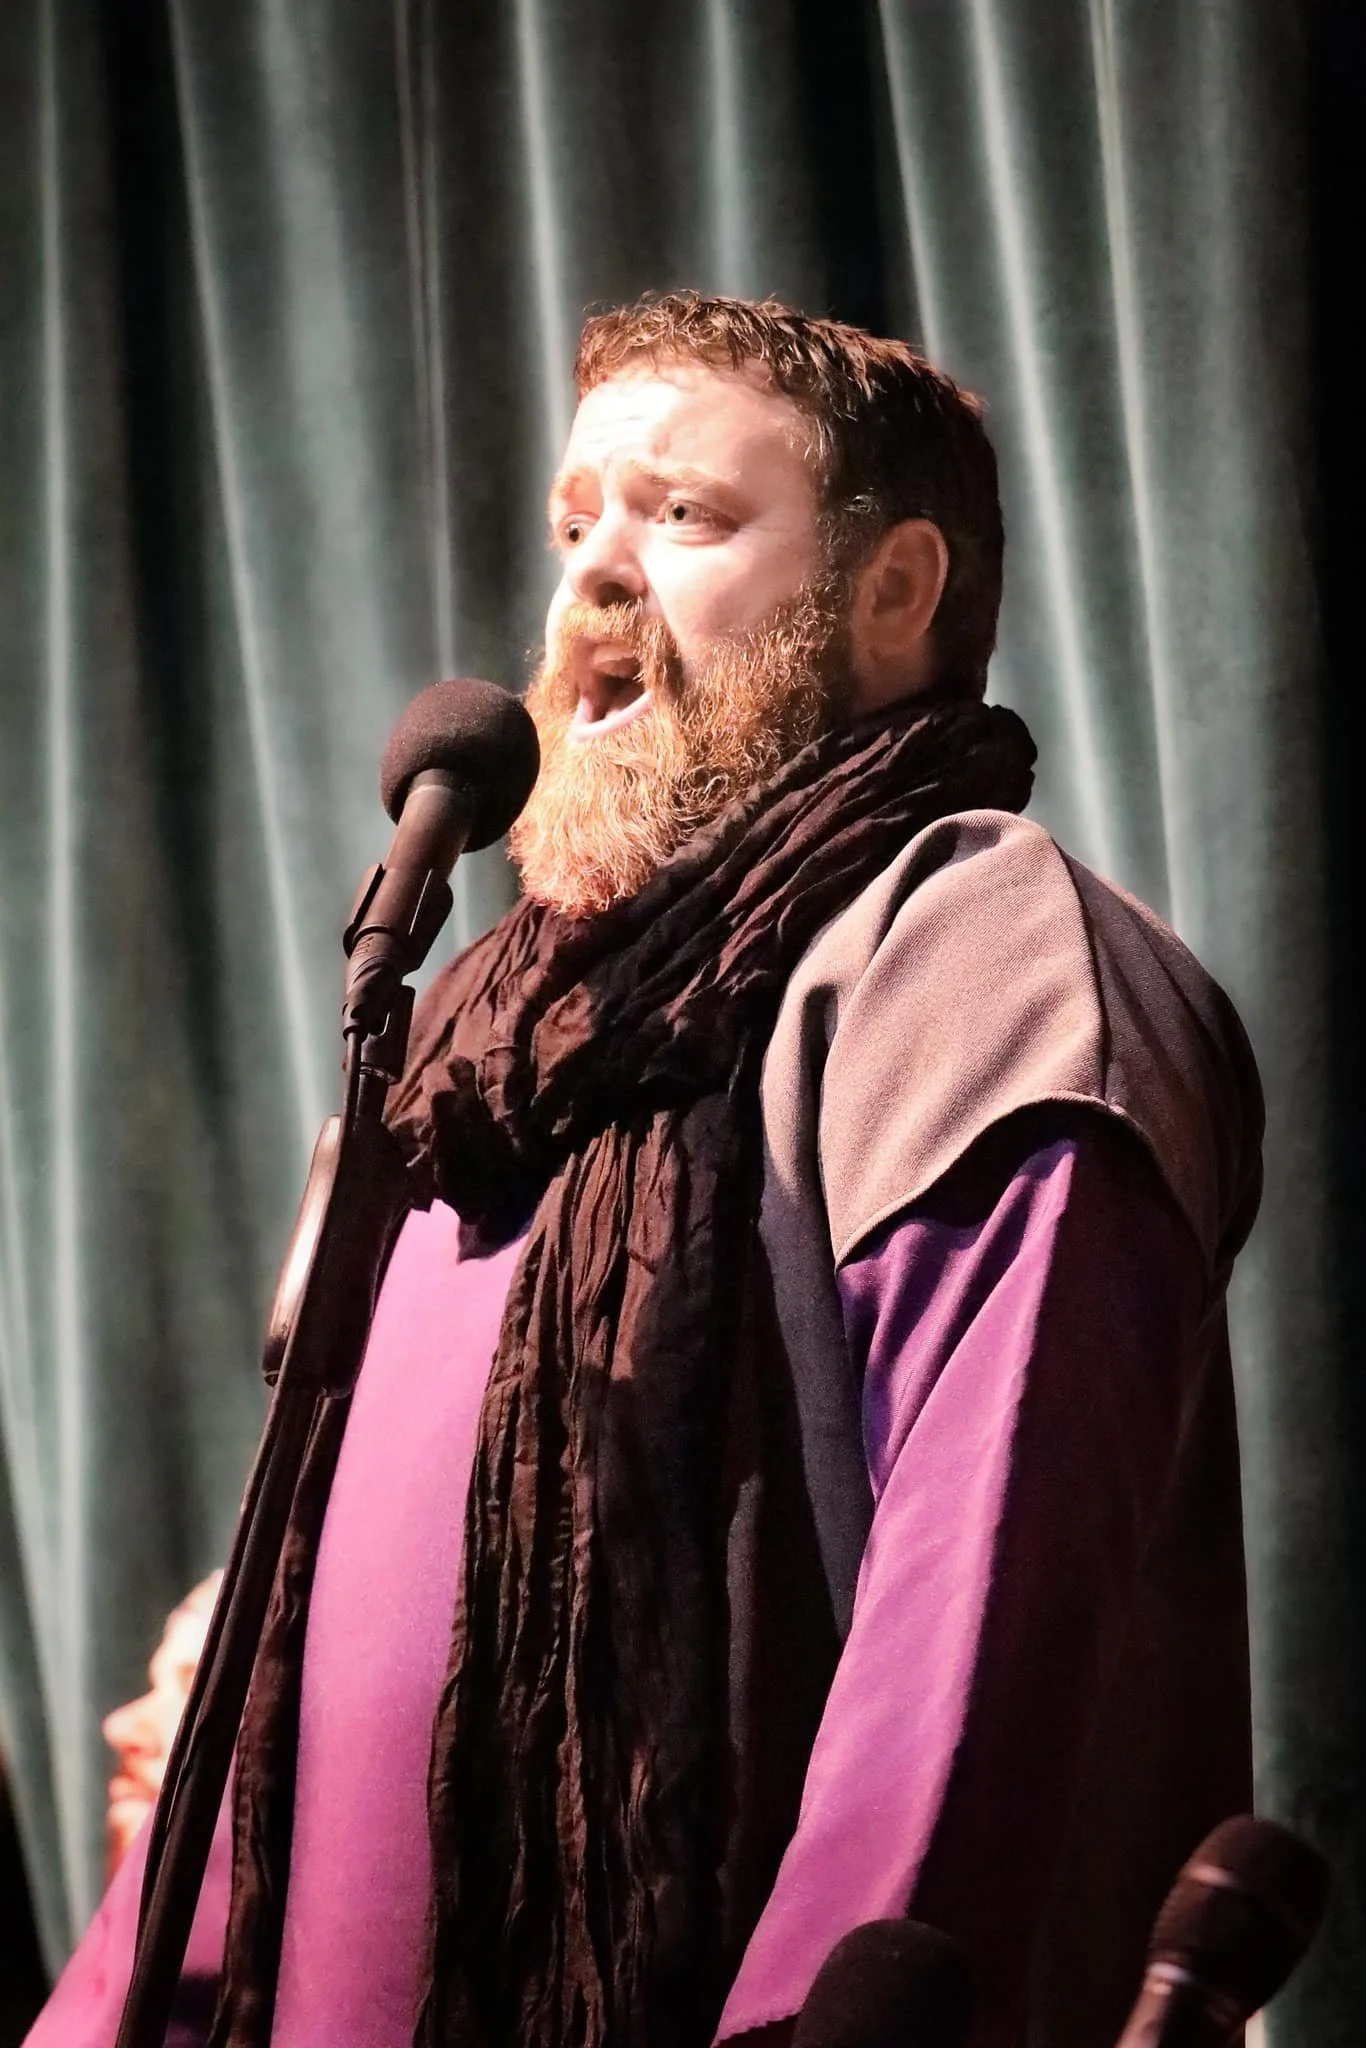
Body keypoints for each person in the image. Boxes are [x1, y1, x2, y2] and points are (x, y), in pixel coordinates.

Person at [27, 294, 1262, 2048]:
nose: (591, 577)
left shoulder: (975, 961)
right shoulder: (481, 1040)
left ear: (894, 591)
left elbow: (980, 1642)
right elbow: (281, 1665)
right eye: (572, 523)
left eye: (682, 513)